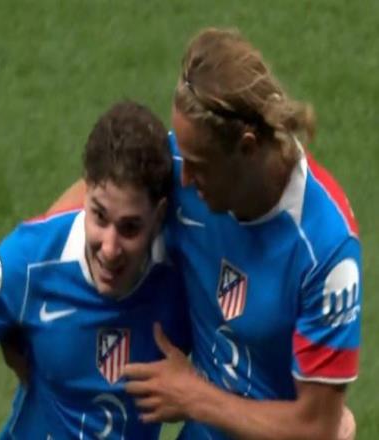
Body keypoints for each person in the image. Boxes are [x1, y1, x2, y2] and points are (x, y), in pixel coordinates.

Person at [41, 28, 361, 439]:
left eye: (199, 165)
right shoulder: (184, 165)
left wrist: (194, 397)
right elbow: (89, 200)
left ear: (247, 148)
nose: (183, 179)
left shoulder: (326, 249)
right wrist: (19, 290)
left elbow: (317, 428)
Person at [0, 101, 190, 440]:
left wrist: (195, 394)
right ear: (86, 192)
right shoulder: (30, 262)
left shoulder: (182, 280)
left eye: (129, 228)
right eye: (100, 217)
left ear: (158, 217)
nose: (109, 248)